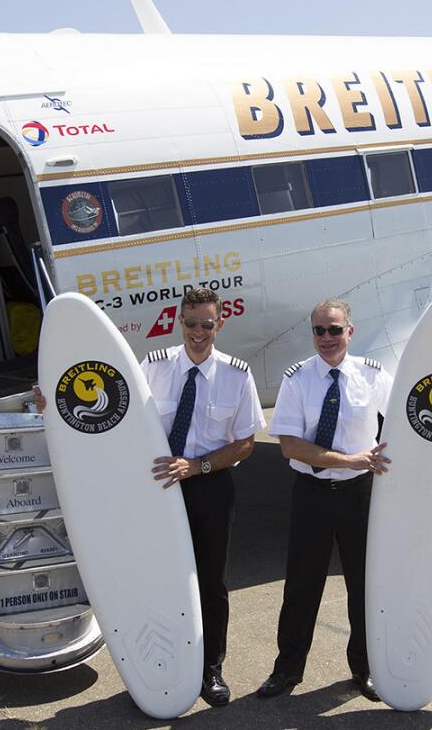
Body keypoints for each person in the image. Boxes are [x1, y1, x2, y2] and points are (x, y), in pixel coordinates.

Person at [35, 287, 263, 708]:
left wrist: (197, 467)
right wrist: (52, 402)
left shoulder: (237, 374)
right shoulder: (152, 368)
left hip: (210, 485)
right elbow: (112, 415)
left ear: (219, 324)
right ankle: (169, 662)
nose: (198, 332)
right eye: (191, 323)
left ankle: (211, 670)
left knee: (211, 583)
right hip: (156, 488)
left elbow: (246, 443)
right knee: (157, 575)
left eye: (207, 325)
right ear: (181, 321)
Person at [257, 298, 391, 702]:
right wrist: (350, 459)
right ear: (311, 334)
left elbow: (413, 419)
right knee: (301, 586)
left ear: (351, 331)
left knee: (365, 586)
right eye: (319, 331)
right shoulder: (297, 379)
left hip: (360, 495)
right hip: (312, 494)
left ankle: (366, 668)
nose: (327, 338)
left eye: (335, 330)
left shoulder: (374, 376)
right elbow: (290, 446)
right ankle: (287, 670)